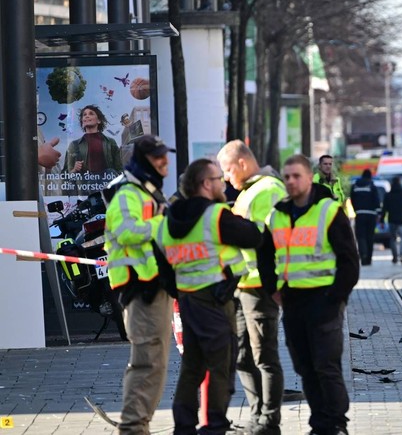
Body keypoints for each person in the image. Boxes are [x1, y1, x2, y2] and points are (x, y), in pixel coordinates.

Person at [157, 158, 263, 435]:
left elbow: (162, 262)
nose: (223, 183)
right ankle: (214, 425)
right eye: (218, 179)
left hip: (188, 300)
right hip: (215, 301)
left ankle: (184, 426)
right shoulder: (214, 215)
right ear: (206, 184)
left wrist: (177, 290)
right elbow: (252, 236)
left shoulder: (169, 219)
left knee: (192, 365)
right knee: (221, 365)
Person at [260, 154, 360, 435]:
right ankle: (319, 424)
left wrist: (336, 297)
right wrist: (272, 289)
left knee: (326, 366)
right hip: (292, 303)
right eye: (287, 177)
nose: (291, 181)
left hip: (324, 301)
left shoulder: (328, 211)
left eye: (296, 176)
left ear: (308, 177)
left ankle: (336, 424)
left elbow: (349, 262)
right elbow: (264, 255)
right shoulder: (277, 214)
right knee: (305, 367)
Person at [103, 135, 177, 434]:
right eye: (158, 157)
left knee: (155, 364)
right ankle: (133, 428)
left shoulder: (148, 191)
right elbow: (125, 231)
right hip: (140, 290)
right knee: (147, 363)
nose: (164, 162)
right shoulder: (128, 193)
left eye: (165, 155)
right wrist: (164, 222)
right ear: (144, 160)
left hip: (154, 287)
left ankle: (138, 424)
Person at [217, 140, 287, 435]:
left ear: (242, 163)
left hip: (261, 287)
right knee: (244, 356)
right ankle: (258, 416)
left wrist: (278, 286)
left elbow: (278, 240)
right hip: (243, 284)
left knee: (264, 356)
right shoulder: (248, 191)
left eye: (228, 170)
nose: (225, 177)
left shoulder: (268, 190)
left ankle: (269, 421)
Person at [64, 104, 123, 175]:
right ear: (82, 121)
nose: (86, 116)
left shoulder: (110, 142)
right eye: (84, 115)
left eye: (91, 113)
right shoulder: (74, 145)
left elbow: (119, 169)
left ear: (99, 120)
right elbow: (65, 174)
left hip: (107, 183)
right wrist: (74, 169)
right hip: (85, 185)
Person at [380, 176, 402, 264]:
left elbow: (384, 208)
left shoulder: (388, 195)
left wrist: (382, 219)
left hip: (392, 220)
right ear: (400, 183)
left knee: (393, 239)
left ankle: (395, 257)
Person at [349, 168, 380, 266]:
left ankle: (363, 255)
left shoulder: (355, 186)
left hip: (360, 214)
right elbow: (376, 200)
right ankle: (369, 259)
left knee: (361, 236)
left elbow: (352, 199)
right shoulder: (372, 185)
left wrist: (356, 210)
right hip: (371, 215)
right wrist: (378, 213)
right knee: (370, 237)